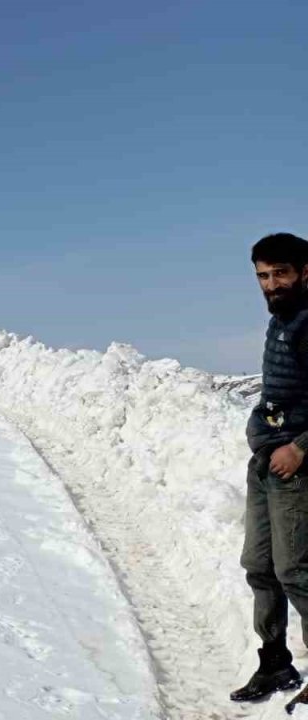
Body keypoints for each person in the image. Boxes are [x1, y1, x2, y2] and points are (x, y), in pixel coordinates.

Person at [233, 233, 308, 703]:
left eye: (281, 273)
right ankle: (275, 662)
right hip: (266, 461)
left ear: (305, 272)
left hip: (295, 467)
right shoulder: (281, 318)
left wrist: (299, 448)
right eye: (263, 275)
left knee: (296, 571)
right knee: (259, 566)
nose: (271, 284)